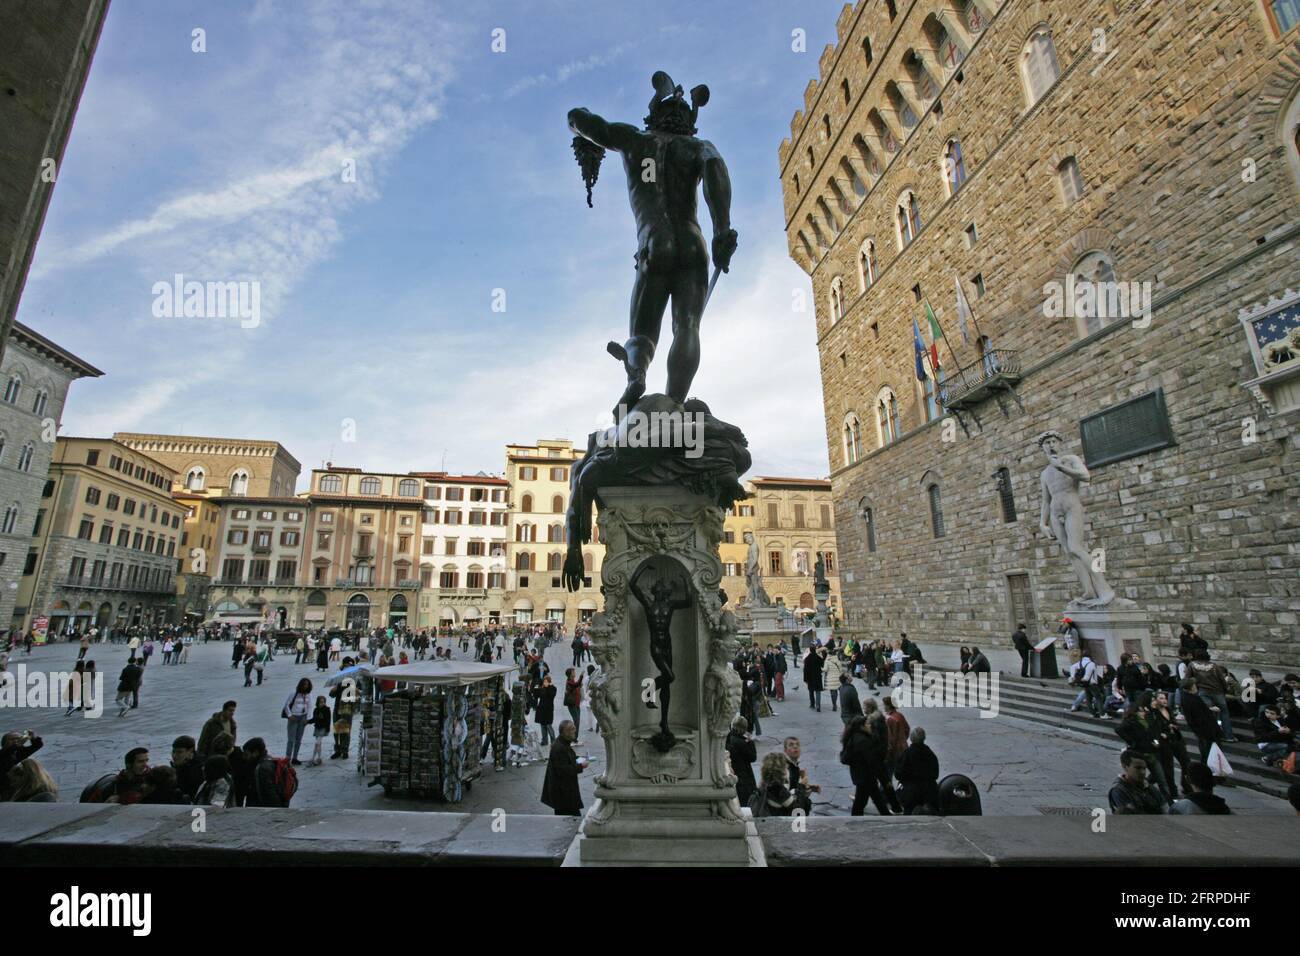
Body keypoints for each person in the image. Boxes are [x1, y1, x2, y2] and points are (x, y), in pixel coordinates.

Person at [1115, 693, 1172, 805]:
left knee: (1162, 779)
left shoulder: (1150, 715)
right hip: (1139, 753)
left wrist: (1156, 741)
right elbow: (1119, 729)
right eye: (1152, 700)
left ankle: (1168, 802)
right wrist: (1132, 741)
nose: (1154, 702)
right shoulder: (1133, 718)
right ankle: (1140, 798)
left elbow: (1155, 730)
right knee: (1140, 777)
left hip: (1152, 752)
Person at [840, 716, 891, 816]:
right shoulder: (862, 741)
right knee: (863, 801)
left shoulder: (855, 737)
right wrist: (883, 777)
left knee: (874, 799)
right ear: (861, 726)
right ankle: (856, 821)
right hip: (866, 776)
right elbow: (872, 760)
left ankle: (886, 816)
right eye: (867, 724)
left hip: (862, 775)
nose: (869, 725)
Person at [1188, 651, 1236, 742]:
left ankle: (1213, 736)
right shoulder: (1214, 666)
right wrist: (1225, 690)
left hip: (1203, 691)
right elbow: (1221, 679)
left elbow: (1188, 678)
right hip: (1217, 691)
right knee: (1224, 713)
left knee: (1208, 714)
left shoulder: (1192, 665)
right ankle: (1229, 736)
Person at [540, 719, 585, 816]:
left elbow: (567, 759)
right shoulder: (559, 748)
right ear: (565, 732)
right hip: (563, 794)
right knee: (569, 819)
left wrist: (579, 759)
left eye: (574, 728)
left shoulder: (563, 743)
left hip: (565, 792)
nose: (575, 731)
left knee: (571, 818)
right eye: (572, 729)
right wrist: (581, 766)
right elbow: (563, 770)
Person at [894, 727, 941, 814]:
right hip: (929, 791)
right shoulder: (930, 754)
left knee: (908, 812)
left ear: (911, 739)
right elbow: (935, 774)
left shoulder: (907, 754)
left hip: (910, 793)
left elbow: (898, 773)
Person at [1107, 748, 1167, 814]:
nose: (1142, 772)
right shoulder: (1119, 790)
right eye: (1138, 768)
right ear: (1125, 766)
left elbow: (1164, 808)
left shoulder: (1149, 787)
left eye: (1144, 768)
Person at [1179, 679, 1223, 763]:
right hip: (1206, 730)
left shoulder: (1187, 697)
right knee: (1208, 752)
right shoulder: (1192, 699)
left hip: (1202, 730)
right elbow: (1200, 716)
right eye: (1194, 685)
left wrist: (1209, 709)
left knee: (1207, 751)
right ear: (1191, 687)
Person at [758, 751, 810, 817]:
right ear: (780, 768)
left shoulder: (765, 784)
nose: (787, 767)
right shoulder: (777, 788)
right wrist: (802, 785)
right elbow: (798, 811)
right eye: (786, 765)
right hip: (778, 825)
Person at [243, 737, 290, 808]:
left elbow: (270, 794)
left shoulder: (262, 769)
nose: (245, 757)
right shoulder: (269, 760)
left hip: (261, 809)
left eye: (247, 754)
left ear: (255, 752)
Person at [0, 731, 43, 799]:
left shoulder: (19, 752)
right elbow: (6, 753)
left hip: (15, 786)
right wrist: (18, 744)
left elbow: (37, 746)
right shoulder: (2, 754)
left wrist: (34, 738)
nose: (16, 741)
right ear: (4, 743)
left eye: (18, 739)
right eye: (12, 739)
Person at [726, 716, 758, 807]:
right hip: (745, 776)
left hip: (733, 773)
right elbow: (753, 758)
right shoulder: (743, 742)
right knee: (747, 802)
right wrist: (751, 742)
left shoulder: (729, 739)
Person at [881, 695, 911, 783]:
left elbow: (890, 739)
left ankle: (885, 794)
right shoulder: (899, 715)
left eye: (884, 705)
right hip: (903, 748)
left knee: (887, 775)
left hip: (893, 752)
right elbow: (907, 729)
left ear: (888, 706)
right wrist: (903, 739)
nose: (883, 706)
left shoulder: (889, 719)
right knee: (902, 773)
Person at [171, 735, 204, 802]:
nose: (174, 756)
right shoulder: (180, 765)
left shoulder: (198, 770)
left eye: (179, 752)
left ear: (190, 751)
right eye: (173, 751)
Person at [535, 674, 558, 746]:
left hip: (548, 710)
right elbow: (536, 695)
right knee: (542, 726)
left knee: (548, 725)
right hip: (541, 710)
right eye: (544, 682)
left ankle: (553, 741)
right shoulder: (542, 689)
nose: (545, 683)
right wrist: (536, 688)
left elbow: (551, 695)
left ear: (549, 682)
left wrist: (549, 687)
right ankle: (544, 741)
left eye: (546, 682)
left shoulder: (553, 688)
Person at [309, 695, 331, 766]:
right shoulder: (316, 710)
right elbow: (314, 719)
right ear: (318, 702)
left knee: (317, 742)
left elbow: (328, 720)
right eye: (321, 702)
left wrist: (327, 729)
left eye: (323, 702)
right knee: (319, 743)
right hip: (317, 727)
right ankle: (319, 757)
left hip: (323, 728)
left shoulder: (327, 709)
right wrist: (307, 722)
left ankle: (314, 757)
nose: (322, 703)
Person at [563, 668, 583, 742]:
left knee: (577, 722)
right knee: (576, 721)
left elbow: (576, 686)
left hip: (576, 704)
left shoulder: (572, 681)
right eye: (573, 672)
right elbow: (576, 685)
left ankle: (574, 737)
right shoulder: (569, 682)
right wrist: (581, 676)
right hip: (572, 705)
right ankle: (573, 737)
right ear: (570, 674)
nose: (575, 673)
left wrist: (579, 687)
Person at [803, 645, 824, 712]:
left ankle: (812, 704)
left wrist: (805, 679)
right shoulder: (818, 658)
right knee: (818, 692)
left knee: (811, 691)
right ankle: (818, 705)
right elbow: (822, 665)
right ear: (815, 650)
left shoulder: (807, 659)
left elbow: (805, 670)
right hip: (817, 677)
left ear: (810, 650)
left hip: (810, 678)